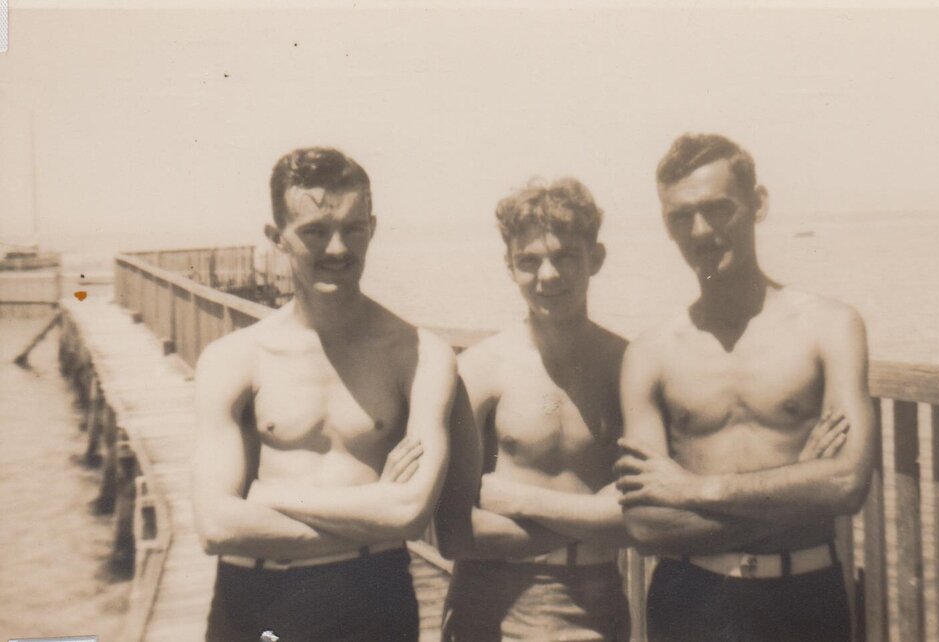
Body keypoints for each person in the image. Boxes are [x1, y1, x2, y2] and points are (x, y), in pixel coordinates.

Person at [615, 133, 875, 641]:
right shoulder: (650, 353)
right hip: (691, 600)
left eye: (718, 208)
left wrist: (696, 489)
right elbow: (645, 525)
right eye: (680, 217)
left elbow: (847, 484)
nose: (702, 231)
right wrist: (800, 486)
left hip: (805, 598)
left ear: (757, 204)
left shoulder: (830, 326)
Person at [191, 147, 457, 641]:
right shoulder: (234, 359)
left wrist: (268, 495)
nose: (337, 249)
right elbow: (215, 524)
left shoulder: (419, 354)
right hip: (256, 599)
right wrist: (374, 506)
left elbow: (410, 512)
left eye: (353, 228)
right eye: (314, 231)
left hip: (372, 596)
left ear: (372, 229)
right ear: (277, 239)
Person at [435, 178, 632, 641]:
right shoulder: (479, 371)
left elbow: (646, 520)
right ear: (509, 266)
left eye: (564, 255)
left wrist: (524, 502)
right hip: (491, 601)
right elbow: (454, 534)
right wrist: (595, 520)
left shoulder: (627, 367)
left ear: (595, 258)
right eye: (529, 261)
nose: (548, 275)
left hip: (596, 601)